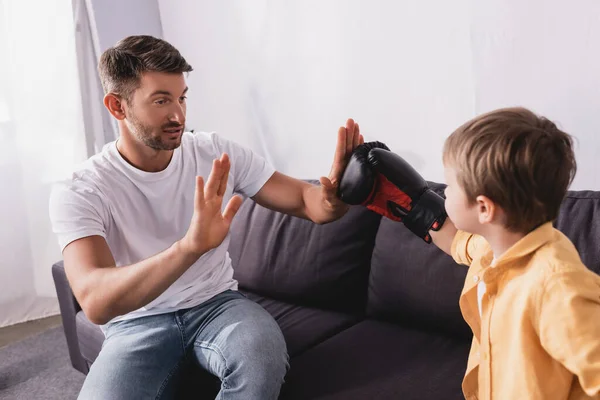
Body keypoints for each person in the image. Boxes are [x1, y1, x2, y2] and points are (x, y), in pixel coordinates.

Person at [49, 35, 363, 400]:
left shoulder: (215, 153)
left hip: (218, 306)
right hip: (136, 323)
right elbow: (96, 301)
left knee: (262, 358)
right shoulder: (81, 190)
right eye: (161, 100)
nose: (178, 116)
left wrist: (334, 197)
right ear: (117, 107)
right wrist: (189, 248)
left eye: (182, 98)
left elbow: (307, 203)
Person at [339, 107, 600, 399]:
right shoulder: (495, 246)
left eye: (451, 186)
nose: (445, 192)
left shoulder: (558, 288)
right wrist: (414, 207)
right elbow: (454, 240)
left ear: (484, 208)